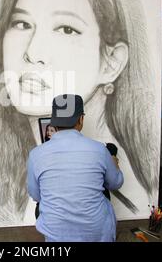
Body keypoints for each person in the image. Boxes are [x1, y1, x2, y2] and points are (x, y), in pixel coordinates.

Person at [0, 0, 159, 225]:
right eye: (22, 24)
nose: (33, 53)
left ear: (112, 62)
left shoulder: (135, 201)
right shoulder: (1, 178)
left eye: (66, 29)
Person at [27, 94, 123, 241]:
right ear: (81, 119)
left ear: (54, 122)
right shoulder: (99, 150)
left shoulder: (36, 154)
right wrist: (114, 163)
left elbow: (36, 196)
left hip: (56, 234)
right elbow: (115, 183)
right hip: (97, 233)